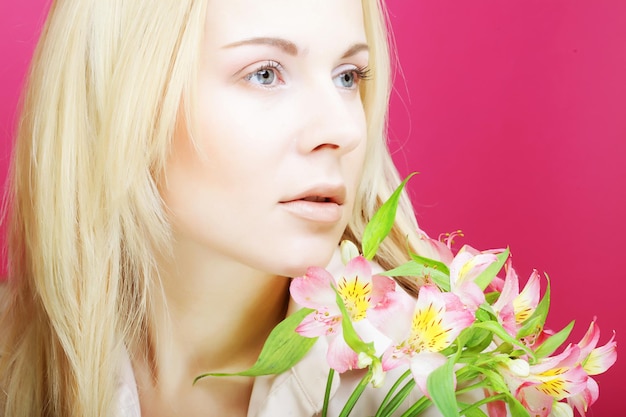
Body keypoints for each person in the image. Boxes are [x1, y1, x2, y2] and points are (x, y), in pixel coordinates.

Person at [0, 0, 448, 416]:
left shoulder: (429, 387)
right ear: (123, 95)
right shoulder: (15, 362)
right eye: (265, 73)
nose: (343, 130)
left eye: (348, 76)